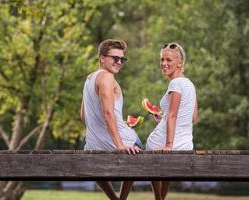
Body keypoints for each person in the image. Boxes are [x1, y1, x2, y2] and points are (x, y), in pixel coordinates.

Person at [80, 39, 141, 200]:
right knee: (138, 144)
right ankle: (121, 199)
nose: (119, 62)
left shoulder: (89, 79)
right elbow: (108, 113)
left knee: (90, 154)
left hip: (92, 145)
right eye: (115, 58)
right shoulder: (107, 78)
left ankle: (114, 198)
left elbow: (83, 116)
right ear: (102, 58)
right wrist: (120, 145)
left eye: (122, 59)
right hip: (120, 142)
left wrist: (115, 123)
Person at [146, 42, 198, 200]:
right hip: (186, 145)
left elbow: (173, 115)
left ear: (180, 63)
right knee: (166, 170)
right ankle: (160, 198)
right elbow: (193, 117)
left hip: (164, 145)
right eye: (162, 59)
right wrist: (162, 120)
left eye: (168, 60)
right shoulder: (190, 84)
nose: (163, 64)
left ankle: (158, 198)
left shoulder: (175, 84)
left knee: (151, 154)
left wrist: (168, 145)